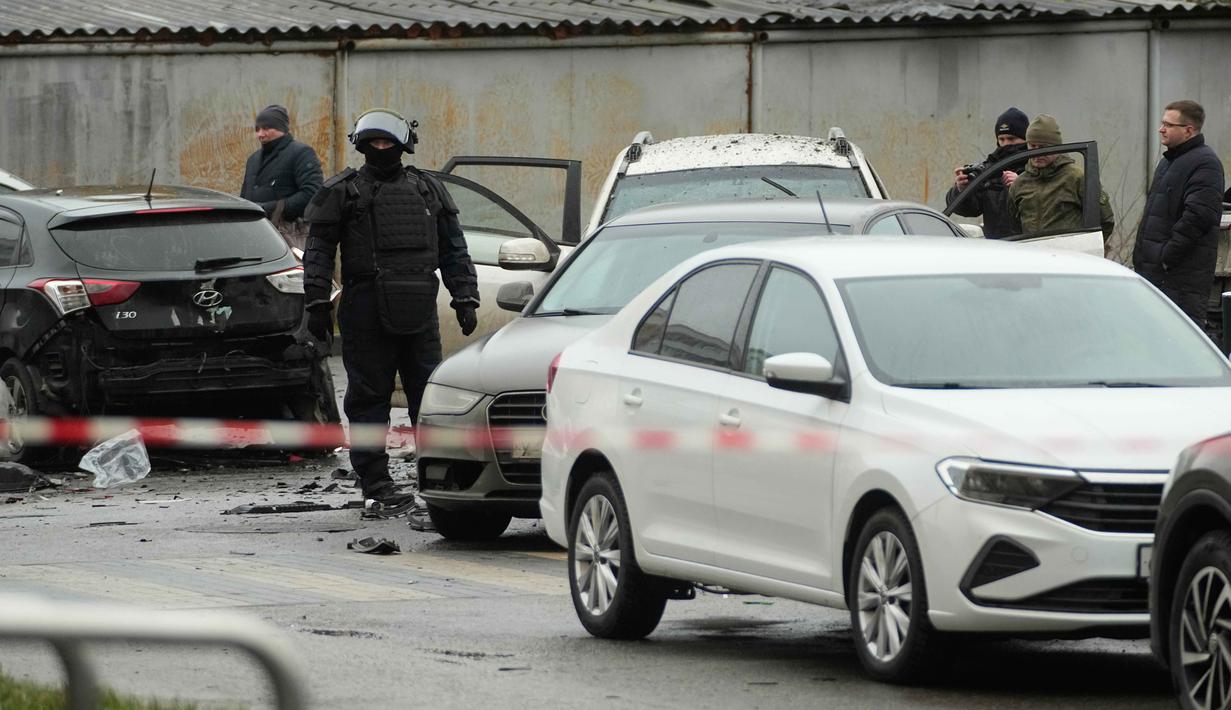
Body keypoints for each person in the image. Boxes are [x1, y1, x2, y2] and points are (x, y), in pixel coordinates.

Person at [301, 108, 480, 517]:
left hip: (419, 307)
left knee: (429, 400)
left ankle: (436, 480)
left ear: (402, 145)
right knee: (368, 400)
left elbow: (454, 249)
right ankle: (376, 485)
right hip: (365, 310)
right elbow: (318, 253)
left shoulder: (427, 189)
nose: (381, 149)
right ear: (363, 147)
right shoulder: (343, 191)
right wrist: (316, 304)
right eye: (374, 143)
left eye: (387, 142)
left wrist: (465, 297)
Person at [1132, 100, 1226, 328]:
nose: (1161, 129)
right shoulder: (1169, 162)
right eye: (1162, 123)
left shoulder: (1205, 163)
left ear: (1188, 130)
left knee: (1177, 336)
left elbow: (1199, 216)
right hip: (1156, 275)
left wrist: (1166, 257)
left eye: (1168, 125)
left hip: (1179, 280)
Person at [1007, 114, 1115, 248]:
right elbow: (1014, 227)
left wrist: (1087, 249)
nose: (1037, 152)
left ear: (1056, 147)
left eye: (1043, 147)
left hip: (1069, 256)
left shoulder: (1077, 178)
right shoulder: (1019, 184)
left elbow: (1105, 220)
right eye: (1032, 146)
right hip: (1033, 257)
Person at [239, 104, 324, 250]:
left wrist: (271, 208)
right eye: (257, 129)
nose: (260, 134)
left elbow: (312, 193)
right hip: (254, 233)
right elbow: (244, 196)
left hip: (289, 236)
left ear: (281, 128)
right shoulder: (253, 159)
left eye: (266, 128)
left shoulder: (301, 153)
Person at [945, 107, 1030, 238]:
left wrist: (1021, 185)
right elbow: (969, 210)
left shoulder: (1035, 166)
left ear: (1025, 139)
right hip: (996, 246)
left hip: (1031, 244)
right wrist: (961, 190)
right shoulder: (989, 169)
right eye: (1001, 139)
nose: (1006, 144)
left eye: (1011, 139)